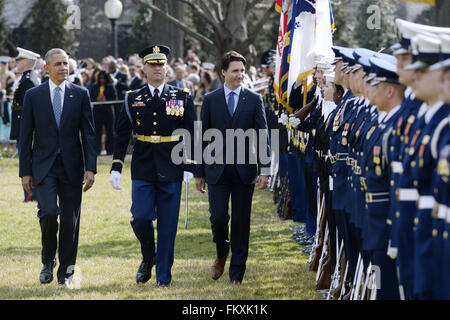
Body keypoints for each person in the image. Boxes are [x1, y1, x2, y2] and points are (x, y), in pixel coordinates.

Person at [109, 44, 196, 287]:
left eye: (161, 64)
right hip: (143, 164)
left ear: (167, 68)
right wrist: (116, 166)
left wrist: (190, 165)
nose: (157, 68)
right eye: (153, 65)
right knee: (140, 217)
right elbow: (122, 135)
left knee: (168, 226)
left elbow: (190, 132)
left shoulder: (181, 96)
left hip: (172, 165)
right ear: (144, 69)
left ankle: (163, 278)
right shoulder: (132, 98)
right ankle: (149, 257)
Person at [18, 48, 97, 286]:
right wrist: (25, 172)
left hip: (73, 167)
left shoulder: (80, 94)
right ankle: (47, 261)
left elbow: (89, 134)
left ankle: (66, 272)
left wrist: (91, 167)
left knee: (71, 221)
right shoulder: (33, 95)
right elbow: (25, 136)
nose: (64, 67)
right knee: (50, 212)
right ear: (46, 68)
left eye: (66, 63)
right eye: (58, 64)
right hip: (44, 167)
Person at [194, 50, 270, 285]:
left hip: (244, 171)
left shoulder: (254, 100)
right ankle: (221, 253)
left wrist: (265, 170)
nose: (240, 75)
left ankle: (237, 273)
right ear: (224, 72)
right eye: (235, 71)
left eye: (242, 71)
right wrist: (199, 171)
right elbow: (202, 136)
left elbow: (263, 135)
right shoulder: (210, 99)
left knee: (240, 222)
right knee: (218, 218)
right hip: (216, 170)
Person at [11, 47, 41, 203]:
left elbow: (31, 109)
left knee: (28, 161)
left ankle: (31, 195)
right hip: (23, 128)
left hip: (26, 129)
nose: (16, 62)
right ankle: (30, 195)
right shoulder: (26, 78)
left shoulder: (29, 80)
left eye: (19, 60)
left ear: (27, 62)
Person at [89, 70, 117, 155]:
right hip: (97, 112)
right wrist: (97, 99)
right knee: (97, 132)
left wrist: (106, 99)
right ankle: (97, 150)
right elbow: (90, 98)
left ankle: (110, 150)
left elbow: (114, 98)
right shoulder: (94, 86)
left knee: (110, 131)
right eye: (100, 78)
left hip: (108, 111)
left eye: (103, 78)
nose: (102, 80)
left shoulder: (110, 86)